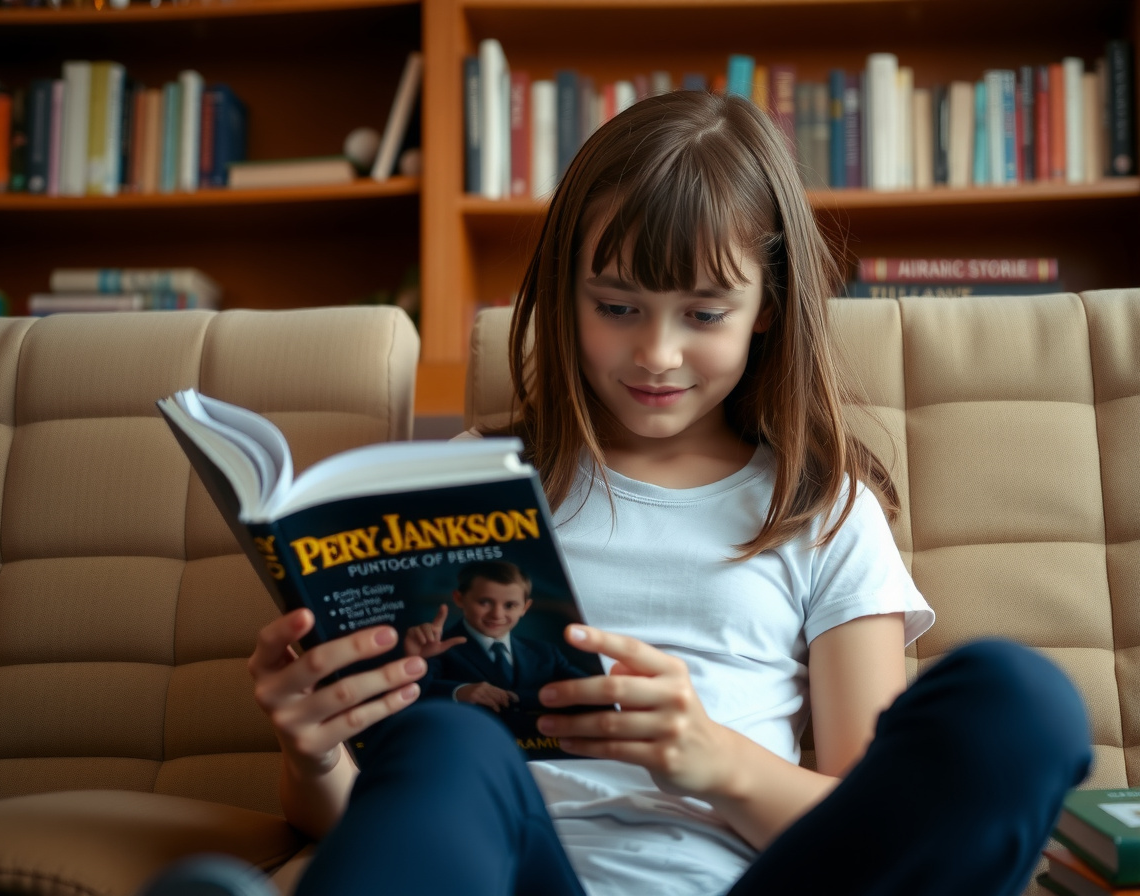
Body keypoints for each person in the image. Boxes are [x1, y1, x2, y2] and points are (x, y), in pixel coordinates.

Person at [243, 90, 1091, 896]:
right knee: (445, 737)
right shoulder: (473, 483)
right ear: (566, 294)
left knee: (1020, 700)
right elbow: (371, 814)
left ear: (767, 307)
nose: (656, 354)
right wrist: (313, 754)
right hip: (514, 873)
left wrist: (709, 757)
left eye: (704, 314)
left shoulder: (819, 510)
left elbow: (876, 819)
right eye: (617, 306)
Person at [403, 560, 591, 713]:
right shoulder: (436, 647)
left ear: (525, 608)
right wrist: (457, 691)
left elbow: (587, 690)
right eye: (485, 602)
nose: (497, 615)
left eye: (510, 605)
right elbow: (413, 697)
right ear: (459, 599)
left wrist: (520, 698)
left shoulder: (545, 652)